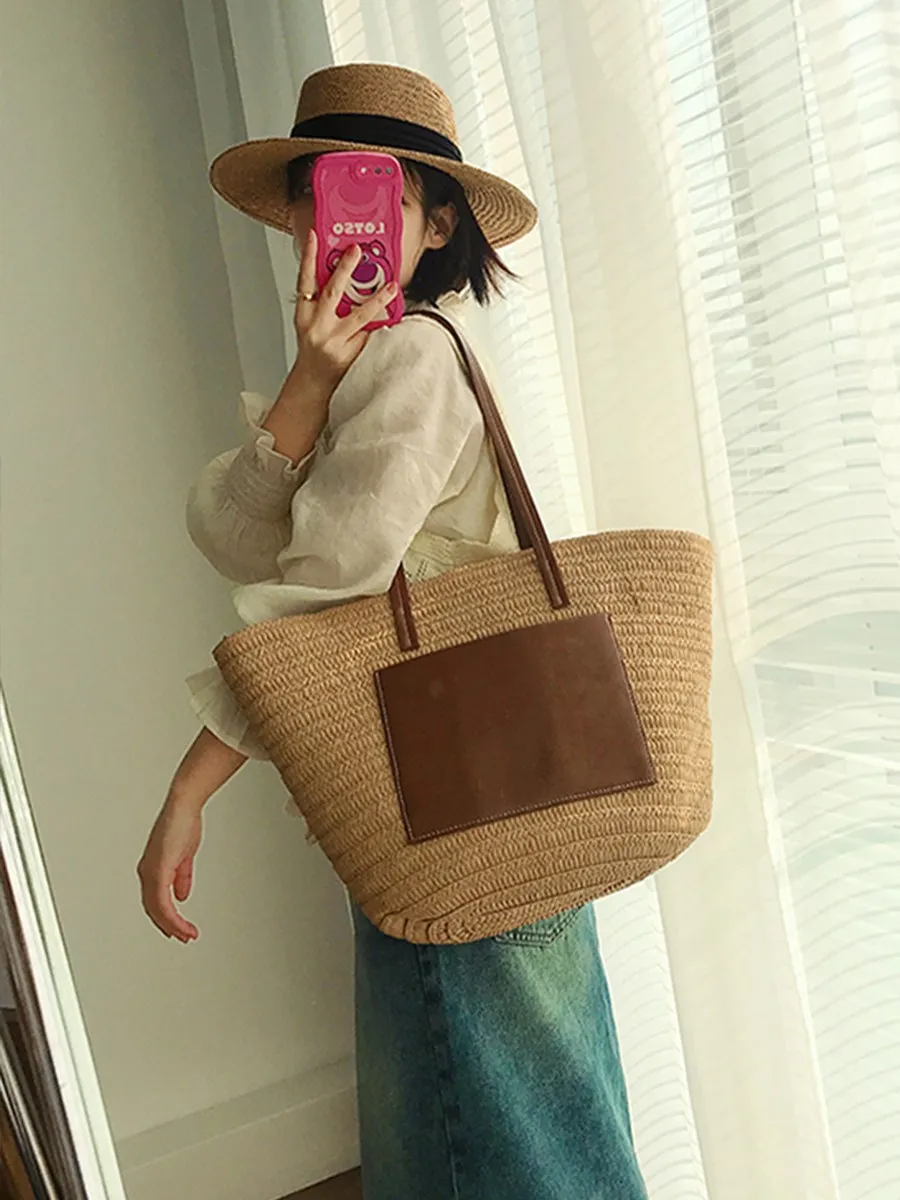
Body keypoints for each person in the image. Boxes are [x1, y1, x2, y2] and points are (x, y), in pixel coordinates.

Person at [137, 62, 648, 1200]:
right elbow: (231, 534)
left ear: (439, 222)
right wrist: (308, 382)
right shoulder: (369, 363)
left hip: (453, 818)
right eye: (319, 196)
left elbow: (325, 594)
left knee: (488, 1158)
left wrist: (189, 787)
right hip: (489, 800)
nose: (339, 224)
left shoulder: (414, 356)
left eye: (373, 194)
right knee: (535, 1149)